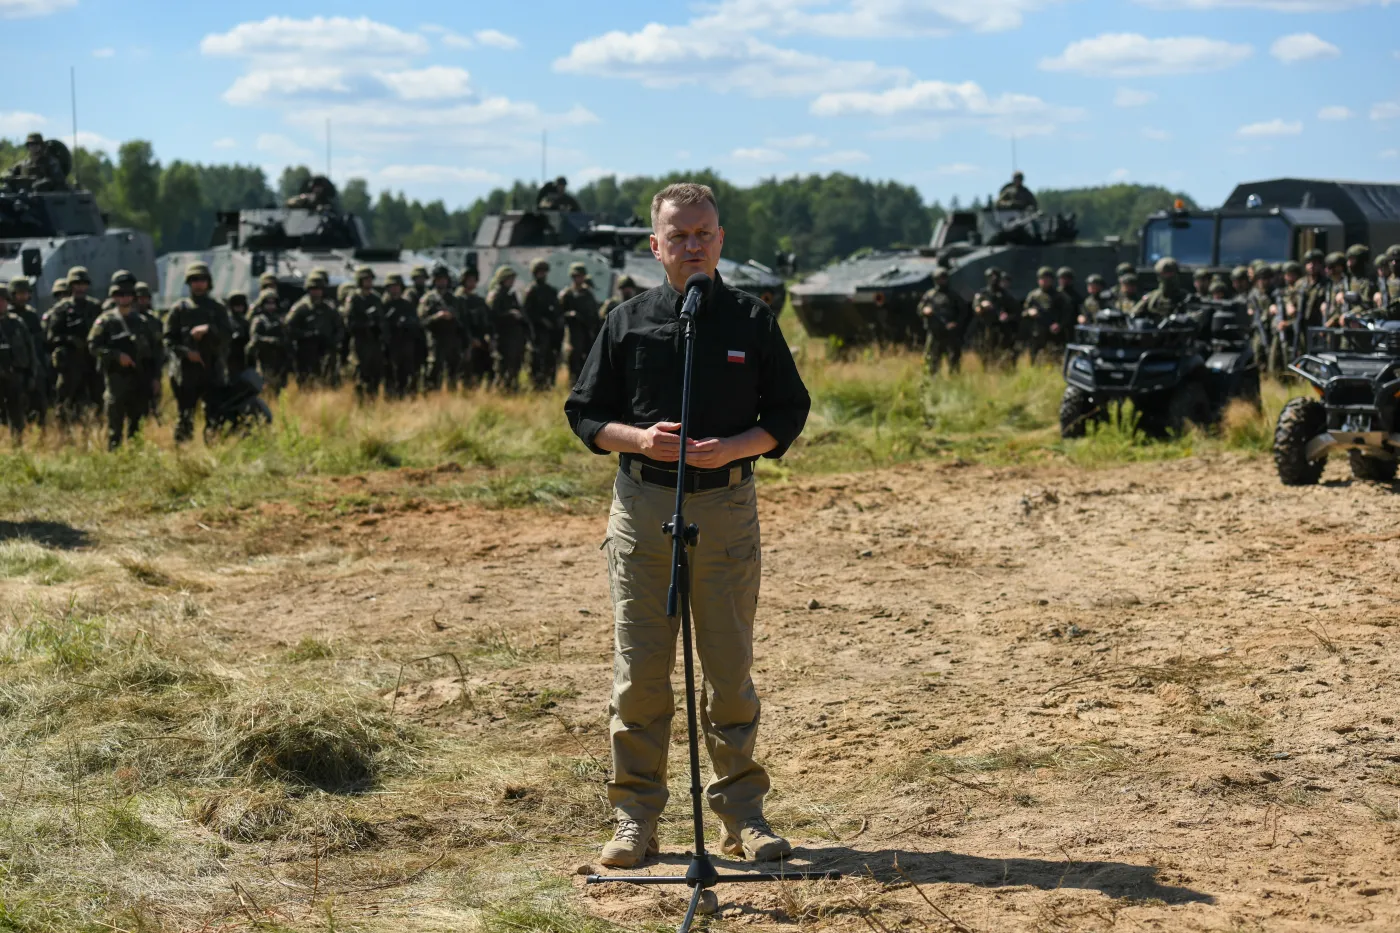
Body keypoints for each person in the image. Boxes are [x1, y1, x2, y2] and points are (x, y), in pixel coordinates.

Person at [564, 181, 810, 869]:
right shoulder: (627, 320)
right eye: (679, 235)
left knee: (728, 673)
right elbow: (583, 413)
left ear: (721, 240)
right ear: (656, 245)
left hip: (725, 508)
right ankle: (635, 818)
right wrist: (638, 441)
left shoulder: (751, 321)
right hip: (644, 508)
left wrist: (735, 447)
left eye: (703, 233)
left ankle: (743, 817)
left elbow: (789, 410)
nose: (692, 245)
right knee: (640, 672)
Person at [88, 271, 161, 450]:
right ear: (114, 296)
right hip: (116, 381)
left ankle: (135, 462)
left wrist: (156, 378)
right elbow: (93, 346)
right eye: (119, 294)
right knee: (115, 429)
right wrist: (116, 355)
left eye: (127, 294)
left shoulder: (143, 323)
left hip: (140, 380)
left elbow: (156, 353)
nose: (124, 298)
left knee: (136, 429)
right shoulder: (105, 322)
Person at [164, 262, 231, 443]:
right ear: (189, 283)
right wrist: (186, 353)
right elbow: (168, 340)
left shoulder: (218, 309)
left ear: (208, 282)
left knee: (215, 416)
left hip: (212, 370)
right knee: (185, 416)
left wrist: (209, 329)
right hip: (187, 373)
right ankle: (184, 454)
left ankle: (214, 451)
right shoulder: (179, 309)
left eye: (202, 280)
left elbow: (227, 335)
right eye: (194, 280)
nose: (198, 284)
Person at [44, 265, 103, 426]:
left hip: (92, 362)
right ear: (71, 286)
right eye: (76, 284)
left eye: (83, 284)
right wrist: (70, 340)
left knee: (97, 400)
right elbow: (51, 337)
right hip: (70, 364)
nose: (80, 288)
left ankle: (96, 432)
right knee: (65, 402)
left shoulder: (95, 307)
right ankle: (64, 435)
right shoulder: (61, 309)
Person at [419, 264, 470, 391]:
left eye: (444, 279)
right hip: (436, 339)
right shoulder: (428, 299)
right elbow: (422, 321)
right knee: (434, 368)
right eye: (439, 279)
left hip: (453, 340)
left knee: (454, 369)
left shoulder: (455, 299)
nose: (442, 282)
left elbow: (463, 322)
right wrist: (437, 317)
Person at [0, 282, 40, 443]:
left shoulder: (17, 323)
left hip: (15, 377)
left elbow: (30, 351)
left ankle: (18, 444)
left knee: (17, 414)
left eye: (3, 300)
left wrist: (31, 375)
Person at [918, 267, 972, 375]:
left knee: (953, 359)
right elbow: (920, 308)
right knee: (932, 359)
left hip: (950, 333)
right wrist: (925, 310)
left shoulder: (953, 296)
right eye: (939, 279)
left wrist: (956, 323)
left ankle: (954, 379)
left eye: (943, 279)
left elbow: (963, 312)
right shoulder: (930, 295)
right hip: (935, 333)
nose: (941, 281)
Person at [343, 266, 386, 400]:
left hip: (375, 341)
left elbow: (382, 319)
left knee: (376, 372)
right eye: (365, 280)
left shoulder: (376, 298)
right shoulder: (354, 298)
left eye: (370, 280)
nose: (368, 282)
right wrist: (365, 324)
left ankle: (373, 398)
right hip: (360, 341)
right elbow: (349, 322)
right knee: (360, 371)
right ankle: (359, 400)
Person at [8, 277, 47, 425]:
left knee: (39, 401)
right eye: (19, 294)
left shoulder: (31, 314)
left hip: (34, 363)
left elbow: (39, 340)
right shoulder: (8, 317)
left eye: (25, 293)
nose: (22, 297)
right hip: (15, 367)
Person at [286, 270, 335, 387]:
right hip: (305, 350)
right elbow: (289, 328)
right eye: (313, 289)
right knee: (305, 381)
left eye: (319, 289)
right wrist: (307, 334)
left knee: (325, 379)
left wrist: (333, 341)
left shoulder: (328, 308)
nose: (317, 292)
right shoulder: (301, 308)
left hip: (324, 349)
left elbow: (339, 327)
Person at [381, 273, 423, 398]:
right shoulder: (383, 305)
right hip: (389, 344)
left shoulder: (407, 305)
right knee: (389, 373)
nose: (394, 289)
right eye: (392, 287)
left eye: (397, 286)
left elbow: (416, 323)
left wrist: (407, 323)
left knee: (406, 372)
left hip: (406, 344)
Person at [489, 266, 529, 393]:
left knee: (515, 363)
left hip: (514, 337)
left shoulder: (511, 295)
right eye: (509, 279)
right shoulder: (496, 295)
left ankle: (512, 387)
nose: (511, 281)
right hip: (503, 337)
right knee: (503, 365)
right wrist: (509, 314)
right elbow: (492, 317)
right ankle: (501, 389)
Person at [523, 259, 562, 390]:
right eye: (540, 272)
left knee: (551, 358)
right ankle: (536, 385)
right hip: (538, 332)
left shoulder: (550, 290)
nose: (542, 275)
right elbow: (527, 313)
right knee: (537, 359)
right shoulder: (531, 291)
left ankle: (549, 383)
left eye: (544, 272)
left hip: (551, 332)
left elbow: (557, 309)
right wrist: (540, 321)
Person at [559, 261, 601, 382]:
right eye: (577, 276)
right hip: (573, 332)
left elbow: (594, 314)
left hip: (588, 331)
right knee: (574, 357)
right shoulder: (567, 294)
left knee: (587, 358)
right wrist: (570, 315)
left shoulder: (588, 294)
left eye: (582, 276)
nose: (580, 279)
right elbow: (560, 314)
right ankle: (573, 383)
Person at [1022, 265, 1072, 363]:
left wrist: (1060, 325)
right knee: (1035, 358)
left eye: (1047, 279)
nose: (1044, 281)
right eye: (1042, 279)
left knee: (1055, 357)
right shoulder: (1033, 295)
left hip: (1054, 332)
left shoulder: (1060, 296)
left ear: (1052, 280)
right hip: (1038, 332)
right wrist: (1029, 312)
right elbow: (1024, 311)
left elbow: (1067, 313)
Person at [971, 267, 1019, 368]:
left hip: (1002, 329)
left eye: (995, 276)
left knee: (1004, 353)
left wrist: (1007, 316)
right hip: (986, 328)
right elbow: (976, 309)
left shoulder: (1005, 295)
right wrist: (982, 306)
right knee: (987, 353)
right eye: (991, 277)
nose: (993, 279)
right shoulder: (982, 294)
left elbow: (1015, 312)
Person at [455, 268, 493, 388]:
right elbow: (460, 322)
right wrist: (470, 340)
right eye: (469, 280)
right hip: (464, 342)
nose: (472, 283)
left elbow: (487, 320)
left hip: (480, 341)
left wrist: (489, 337)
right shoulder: (458, 299)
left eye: (474, 280)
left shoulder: (479, 300)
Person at [247, 289, 290, 395]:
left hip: (279, 360)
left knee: (279, 388)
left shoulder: (280, 320)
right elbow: (255, 339)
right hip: (264, 359)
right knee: (265, 388)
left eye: (273, 303)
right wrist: (270, 341)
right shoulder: (259, 320)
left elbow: (287, 337)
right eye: (267, 303)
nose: (271, 306)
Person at [225, 291, 251, 375]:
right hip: (232, 357)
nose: (239, 308)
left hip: (246, 356)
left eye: (241, 305)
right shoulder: (227, 321)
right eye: (236, 305)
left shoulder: (247, 321)